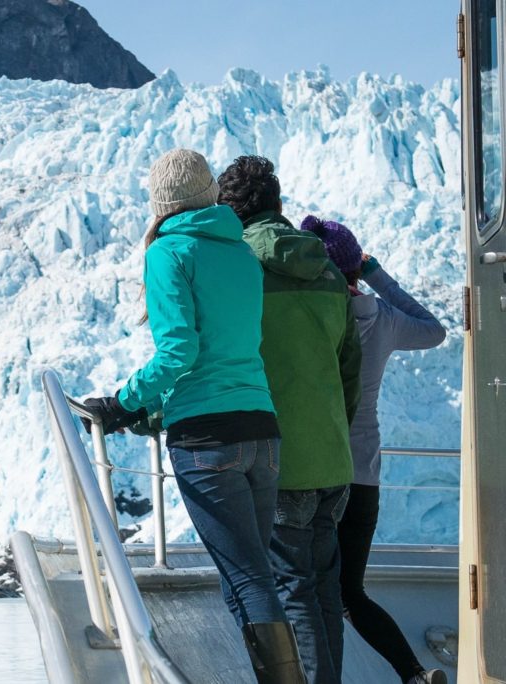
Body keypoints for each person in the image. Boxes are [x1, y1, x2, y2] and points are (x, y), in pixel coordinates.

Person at [83, 149, 306, 683]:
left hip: (208, 442)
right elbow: (227, 350)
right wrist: (154, 405)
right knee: (250, 578)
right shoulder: (242, 255)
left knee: (248, 579)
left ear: (161, 203)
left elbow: (179, 351)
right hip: (261, 430)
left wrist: (124, 403)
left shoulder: (168, 252)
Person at [217, 156, 361, 684]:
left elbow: (220, 357)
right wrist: (332, 433)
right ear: (280, 205)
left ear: (228, 214)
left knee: (292, 589)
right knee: (324, 590)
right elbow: (350, 370)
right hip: (333, 460)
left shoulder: (239, 269)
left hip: (281, 462)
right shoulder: (327, 271)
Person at [301, 215, 448, 684]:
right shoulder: (379, 317)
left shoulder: (310, 315)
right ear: (352, 268)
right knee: (350, 593)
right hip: (363, 475)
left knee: (309, 588)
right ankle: (414, 675)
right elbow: (433, 329)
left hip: (317, 473)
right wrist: (375, 273)